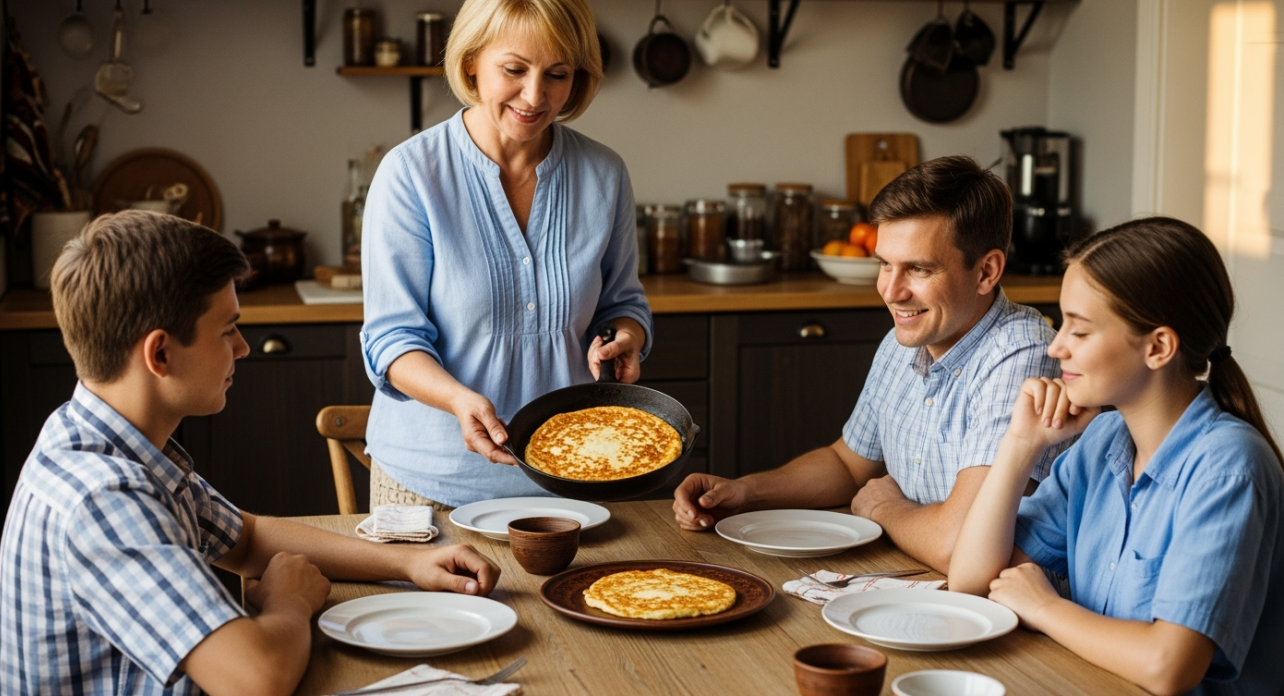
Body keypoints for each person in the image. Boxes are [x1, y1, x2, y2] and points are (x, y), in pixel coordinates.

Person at [0, 211, 501, 696]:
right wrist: (288, 602)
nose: (243, 347)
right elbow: (257, 678)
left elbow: (248, 536)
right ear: (160, 353)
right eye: (227, 328)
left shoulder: (104, 437)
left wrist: (409, 564)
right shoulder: (103, 498)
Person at [673, 155, 1066, 572]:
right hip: (913, 578)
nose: (891, 292)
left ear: (986, 271)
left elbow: (959, 544)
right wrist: (742, 492)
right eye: (884, 264)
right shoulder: (906, 339)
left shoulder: (1023, 355)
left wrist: (884, 509)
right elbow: (847, 464)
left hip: (1010, 617)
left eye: (918, 269)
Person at [949, 217, 1284, 696]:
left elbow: (1169, 667)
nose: (1055, 345)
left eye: (1080, 332)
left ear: (1158, 347)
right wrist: (1020, 446)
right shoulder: (1103, 440)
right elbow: (974, 584)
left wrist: (1046, 609)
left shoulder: (1229, 469)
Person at [361, 0, 651, 509]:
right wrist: (457, 399)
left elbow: (622, 301)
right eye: (514, 70)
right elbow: (391, 338)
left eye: (557, 74)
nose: (535, 96)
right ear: (472, 60)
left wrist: (627, 336)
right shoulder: (411, 174)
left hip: (575, 478)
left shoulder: (605, 174)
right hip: (430, 484)